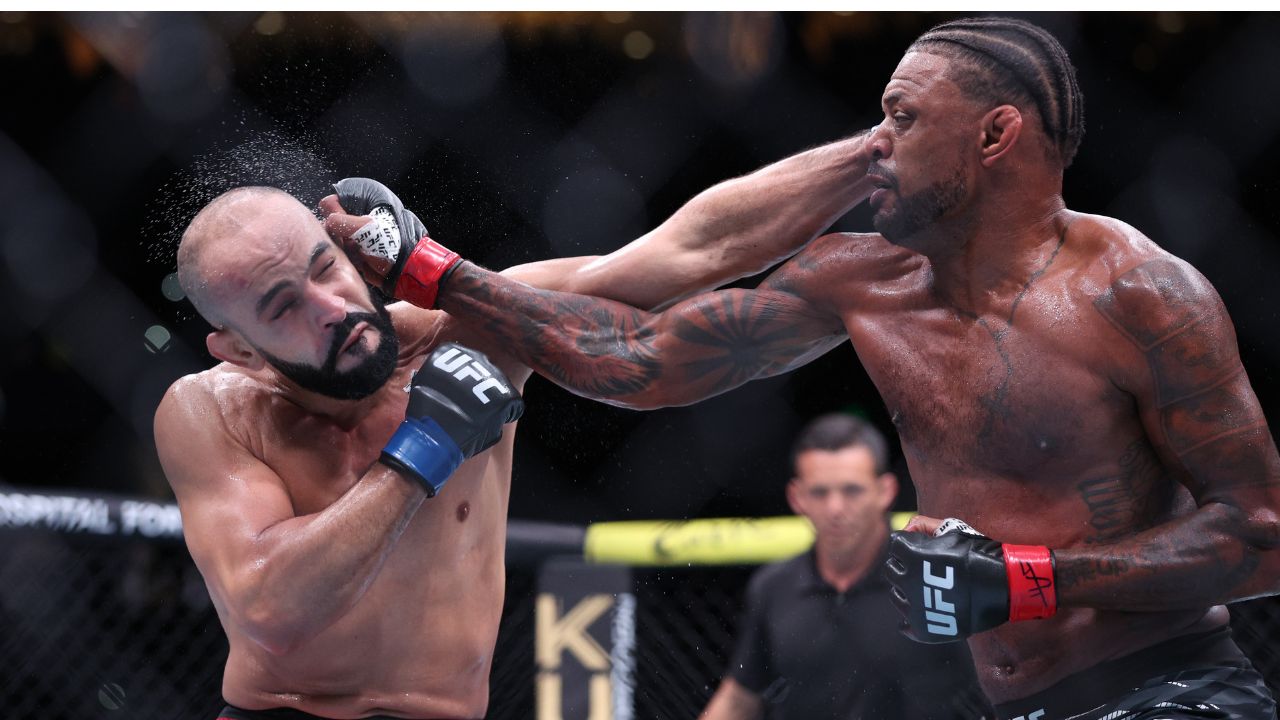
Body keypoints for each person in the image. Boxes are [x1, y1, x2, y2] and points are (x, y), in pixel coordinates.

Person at [331, 16, 1280, 720]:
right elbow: (633, 358)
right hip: (1001, 702)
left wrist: (1036, 579)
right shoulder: (859, 282)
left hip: (1175, 691)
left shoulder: (1141, 294)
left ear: (995, 137)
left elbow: (1264, 538)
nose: (875, 148)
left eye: (902, 121)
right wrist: (434, 270)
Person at [153, 135, 879, 720]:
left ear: (352, 251)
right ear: (240, 350)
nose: (330, 307)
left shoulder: (467, 329)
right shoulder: (211, 410)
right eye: (283, 307)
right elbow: (270, 607)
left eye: (327, 269)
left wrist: (875, 153)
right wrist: (422, 450)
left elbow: (686, 253)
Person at [699, 413, 989, 720]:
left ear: (885, 491)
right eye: (820, 492)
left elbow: (1004, 676)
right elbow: (738, 699)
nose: (835, 508)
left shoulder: (935, 577)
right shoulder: (774, 586)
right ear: (797, 498)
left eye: (852, 490)